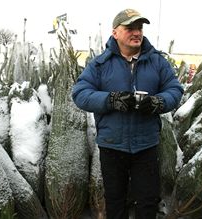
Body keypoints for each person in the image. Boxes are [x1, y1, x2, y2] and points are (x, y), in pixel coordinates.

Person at [72, 8, 184, 219]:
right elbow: (80, 93)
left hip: (146, 145)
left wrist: (158, 102)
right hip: (112, 145)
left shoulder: (157, 62)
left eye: (139, 28)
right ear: (115, 33)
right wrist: (110, 100)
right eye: (130, 28)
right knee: (115, 202)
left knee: (148, 201)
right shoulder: (99, 64)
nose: (136, 33)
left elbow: (175, 90)